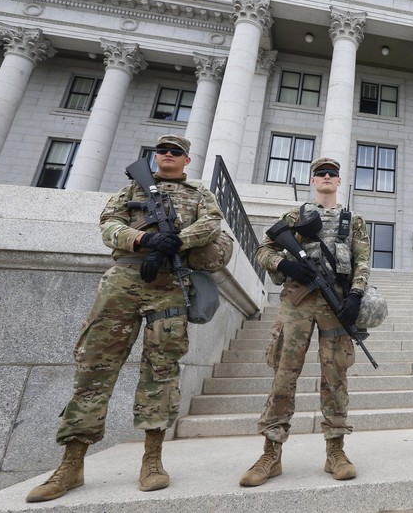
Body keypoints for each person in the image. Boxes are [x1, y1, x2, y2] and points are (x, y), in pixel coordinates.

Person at [26, 135, 224, 502]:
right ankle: (71, 463)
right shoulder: (132, 187)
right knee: (94, 366)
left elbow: (212, 225)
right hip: (124, 279)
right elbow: (108, 225)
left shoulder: (199, 194)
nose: (167, 155)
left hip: (170, 283)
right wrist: (143, 241)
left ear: (186, 160)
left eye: (175, 152)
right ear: (154, 157)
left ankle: (152, 459)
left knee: (162, 368)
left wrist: (175, 242)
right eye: (162, 150)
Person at [240, 157, 370, 486]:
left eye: (332, 174)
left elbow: (362, 261)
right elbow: (263, 249)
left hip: (335, 303)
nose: (327, 177)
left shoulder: (353, 220)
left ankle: (336, 451)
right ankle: (271, 452)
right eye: (321, 174)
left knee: (335, 378)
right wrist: (285, 267)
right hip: (297, 301)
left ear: (339, 182)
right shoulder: (296, 216)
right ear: (313, 181)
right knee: (284, 374)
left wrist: (355, 295)